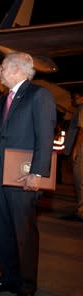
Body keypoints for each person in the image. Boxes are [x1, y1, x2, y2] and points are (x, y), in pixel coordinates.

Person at [0, 52, 56, 296]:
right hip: (2, 175)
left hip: (24, 176)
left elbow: (45, 137)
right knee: (3, 230)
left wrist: (37, 173)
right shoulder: (4, 99)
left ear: (16, 69)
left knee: (24, 233)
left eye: (2, 67)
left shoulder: (39, 95)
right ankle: (8, 279)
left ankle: (26, 286)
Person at [62, 89, 83, 221]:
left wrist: (75, 149)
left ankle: (81, 211)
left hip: (81, 149)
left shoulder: (82, 108)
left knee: (79, 179)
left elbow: (81, 130)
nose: (72, 100)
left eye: (74, 97)